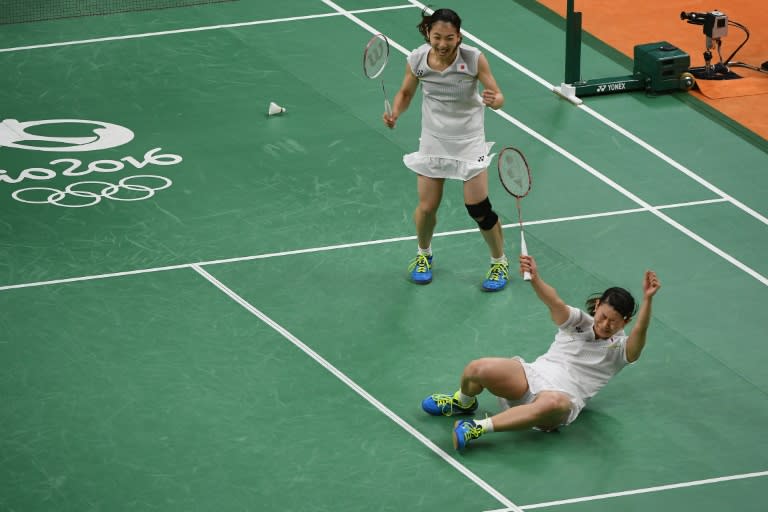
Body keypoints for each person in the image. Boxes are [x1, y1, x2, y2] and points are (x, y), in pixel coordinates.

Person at [421, 254, 661, 450]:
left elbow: (640, 337)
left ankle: (477, 428)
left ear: (625, 323)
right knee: (477, 368)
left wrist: (648, 301)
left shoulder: (620, 350)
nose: (606, 324)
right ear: (597, 306)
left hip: (561, 399)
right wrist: (535, 278)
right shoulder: (577, 321)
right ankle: (463, 402)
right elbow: (554, 302)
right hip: (532, 377)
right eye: (603, 316)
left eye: (614, 322)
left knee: (554, 402)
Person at [384, 8, 509, 291]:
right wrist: (396, 113)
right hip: (434, 139)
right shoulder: (417, 59)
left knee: (479, 209)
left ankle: (499, 261)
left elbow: (498, 95)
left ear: (459, 37)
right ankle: (423, 255)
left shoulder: (474, 59)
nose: (442, 44)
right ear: (428, 33)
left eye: (449, 38)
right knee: (427, 208)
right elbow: (405, 93)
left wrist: (495, 100)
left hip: (468, 141)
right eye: (437, 37)